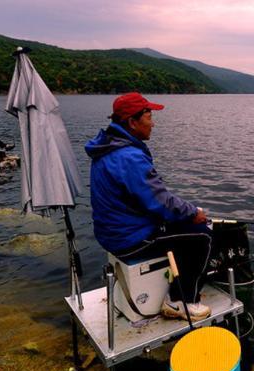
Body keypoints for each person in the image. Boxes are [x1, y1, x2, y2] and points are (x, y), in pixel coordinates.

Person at [85, 92, 212, 321]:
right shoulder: (128, 156)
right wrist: (194, 213)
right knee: (202, 235)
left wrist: (184, 214)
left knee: (183, 224)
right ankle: (180, 302)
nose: (153, 123)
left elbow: (148, 199)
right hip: (129, 239)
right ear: (133, 122)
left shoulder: (108, 149)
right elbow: (160, 201)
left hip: (112, 232)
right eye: (149, 117)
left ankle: (178, 289)